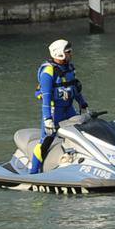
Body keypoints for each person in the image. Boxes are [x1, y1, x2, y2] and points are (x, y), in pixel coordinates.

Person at [30, 39, 88, 174]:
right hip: (54, 111)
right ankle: (33, 173)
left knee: (81, 134)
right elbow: (46, 97)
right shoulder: (48, 72)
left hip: (69, 109)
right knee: (45, 142)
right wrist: (48, 119)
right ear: (59, 53)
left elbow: (75, 89)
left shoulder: (69, 68)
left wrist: (83, 104)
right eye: (68, 52)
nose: (70, 54)